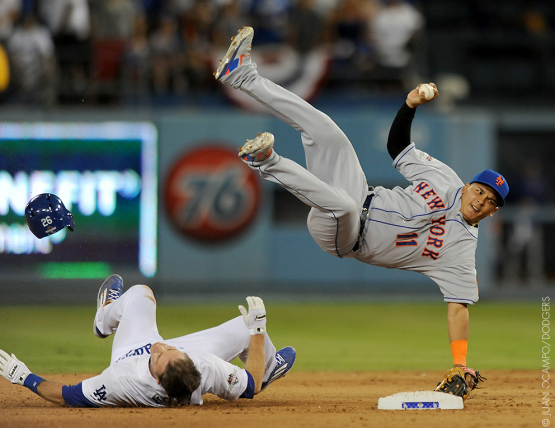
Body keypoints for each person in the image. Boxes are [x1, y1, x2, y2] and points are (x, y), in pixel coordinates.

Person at [214, 26, 509, 400]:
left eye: (490, 202)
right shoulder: (444, 178)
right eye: (481, 191)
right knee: (328, 132)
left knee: (345, 207)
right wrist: (410, 105)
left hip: (347, 236)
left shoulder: (462, 252)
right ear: (469, 185)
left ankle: (266, 161)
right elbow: (398, 146)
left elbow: (458, 310)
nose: (482, 200)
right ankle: (242, 75)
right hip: (358, 191)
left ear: (492, 213)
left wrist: (460, 362)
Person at [0, 274, 296, 407]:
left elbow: (65, 395)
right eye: (170, 350)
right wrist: (258, 329)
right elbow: (251, 386)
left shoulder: (121, 378)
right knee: (248, 328)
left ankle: (104, 319)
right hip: (174, 366)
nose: (160, 345)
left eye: (160, 354)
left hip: (130, 353)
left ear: (155, 376)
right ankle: (269, 366)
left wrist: (25, 378)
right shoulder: (201, 366)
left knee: (141, 293)